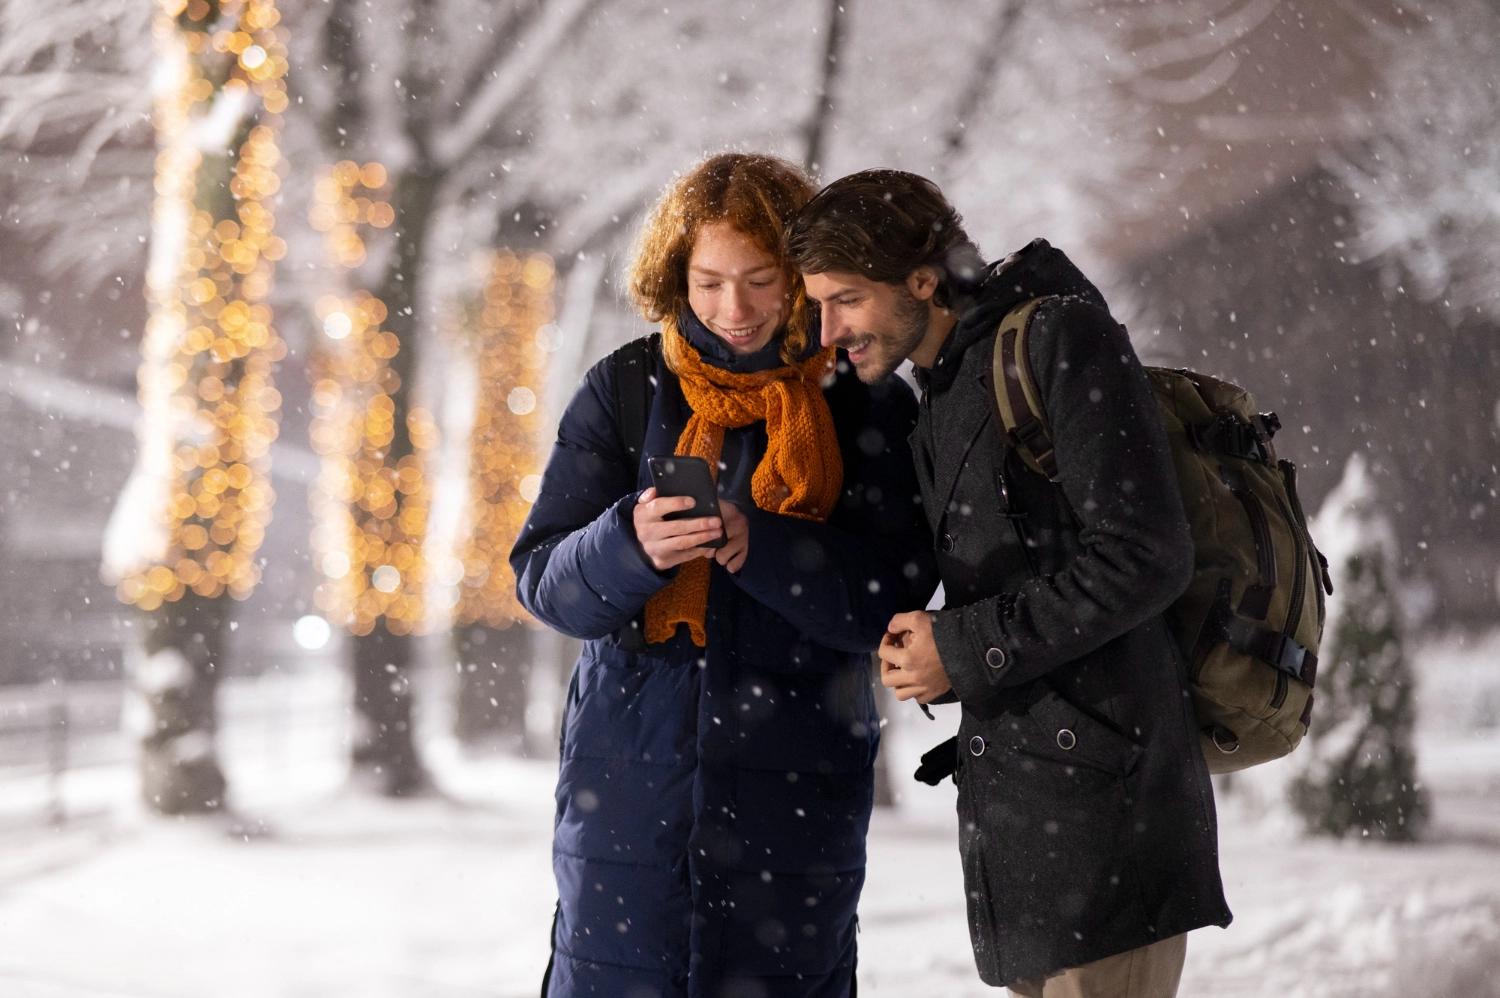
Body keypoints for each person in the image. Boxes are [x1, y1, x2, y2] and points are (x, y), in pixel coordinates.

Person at [784, 170, 1232, 997]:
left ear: (920, 280)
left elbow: (1145, 554)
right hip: (1031, 828)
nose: (828, 330)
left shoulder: (1057, 340)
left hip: (1106, 816)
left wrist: (958, 647)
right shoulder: (946, 378)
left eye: (844, 300)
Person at [510, 153, 936, 998]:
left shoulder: (866, 402)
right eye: (707, 283)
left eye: (759, 280)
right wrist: (626, 544)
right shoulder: (626, 387)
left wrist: (764, 548)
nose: (732, 309)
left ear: (803, 276)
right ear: (676, 276)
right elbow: (542, 581)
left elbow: (892, 598)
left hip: (796, 795)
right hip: (628, 792)